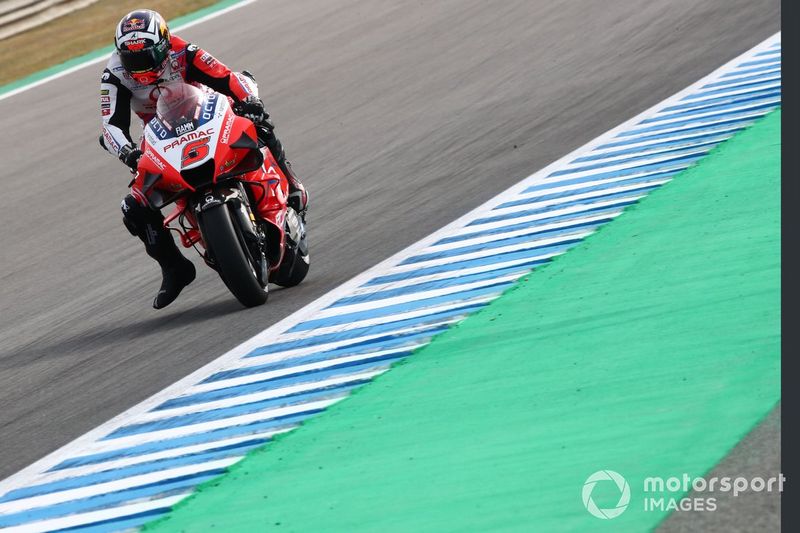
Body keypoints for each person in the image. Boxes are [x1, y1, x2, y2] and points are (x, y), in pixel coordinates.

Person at [100, 9, 308, 309]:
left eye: (146, 57)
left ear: (163, 46)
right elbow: (110, 126)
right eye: (131, 59)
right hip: (162, 133)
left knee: (258, 125)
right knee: (133, 205)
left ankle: (292, 182)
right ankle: (175, 268)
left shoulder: (184, 51)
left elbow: (228, 77)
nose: (138, 67)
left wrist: (250, 103)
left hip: (208, 115)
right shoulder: (114, 74)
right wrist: (129, 153)